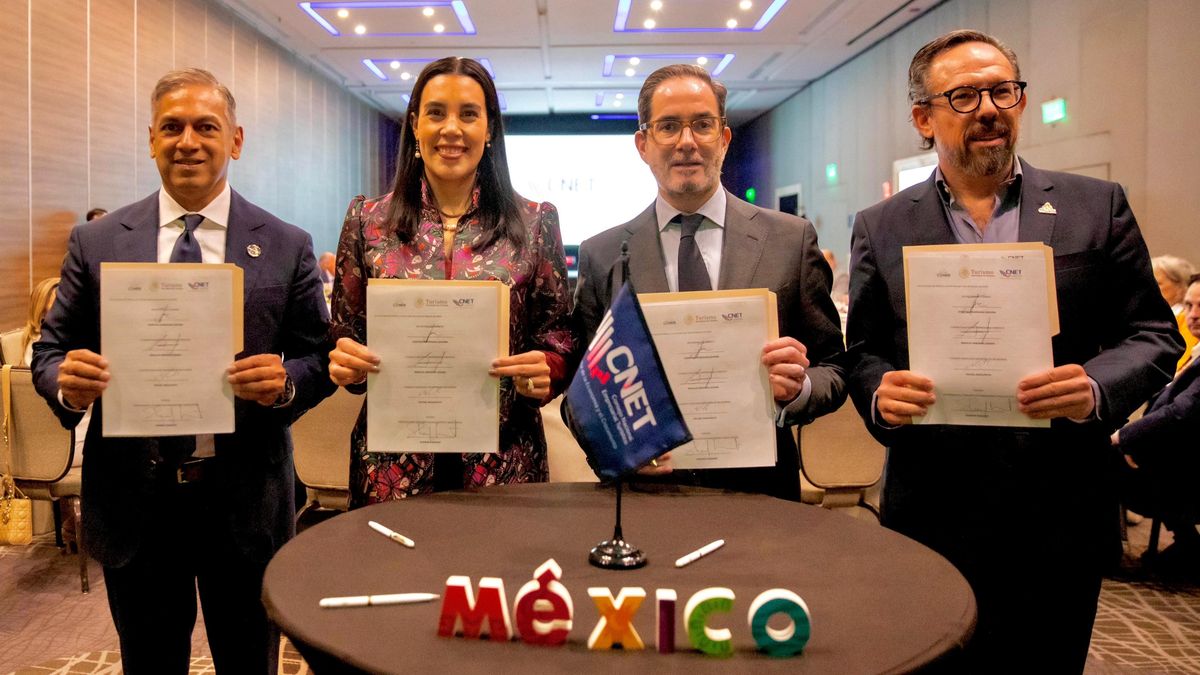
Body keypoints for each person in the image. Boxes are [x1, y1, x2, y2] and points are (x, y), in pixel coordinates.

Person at [846, 30, 1183, 672]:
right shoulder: (882, 224)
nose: (990, 108)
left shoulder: (1095, 206)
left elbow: (1154, 333)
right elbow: (863, 349)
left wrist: (1093, 387)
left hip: (1060, 506)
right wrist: (880, 392)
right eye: (965, 96)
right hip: (932, 507)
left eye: (1003, 90)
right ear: (924, 117)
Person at [31, 68, 333, 673]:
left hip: (245, 500)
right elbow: (49, 352)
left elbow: (320, 356)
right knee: (149, 663)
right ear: (151, 139)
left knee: (250, 661)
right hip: (135, 502)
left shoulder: (284, 242)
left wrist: (286, 382)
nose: (187, 141)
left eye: (205, 126)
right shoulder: (96, 243)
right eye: (171, 127)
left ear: (236, 140)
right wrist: (66, 381)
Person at [572, 64, 847, 501]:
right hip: (646, 493)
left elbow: (834, 369)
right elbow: (579, 392)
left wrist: (798, 389)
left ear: (724, 137)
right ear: (643, 144)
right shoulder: (602, 254)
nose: (686, 142)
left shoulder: (790, 240)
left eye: (702, 124)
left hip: (762, 498)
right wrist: (616, 447)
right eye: (668, 127)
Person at [327, 57, 575, 504]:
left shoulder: (535, 222)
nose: (451, 129)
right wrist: (348, 366)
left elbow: (559, 340)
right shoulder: (368, 221)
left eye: (469, 114)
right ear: (416, 125)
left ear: (490, 129)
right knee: (390, 575)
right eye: (436, 112)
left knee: (492, 574)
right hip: (390, 469)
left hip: (503, 465)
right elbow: (347, 340)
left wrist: (548, 371)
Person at [1115, 273, 1200, 575]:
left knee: (1095, 456)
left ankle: (1102, 549)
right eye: (1189, 306)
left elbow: (1182, 411)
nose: (1194, 315)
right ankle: (1187, 542)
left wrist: (1124, 438)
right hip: (1173, 457)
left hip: (1185, 470)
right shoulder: (1196, 353)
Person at [1152, 254, 1198, 371]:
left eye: (1157, 283)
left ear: (1180, 285)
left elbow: (1180, 368)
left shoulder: (1188, 319)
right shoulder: (1155, 318)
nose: (1150, 288)